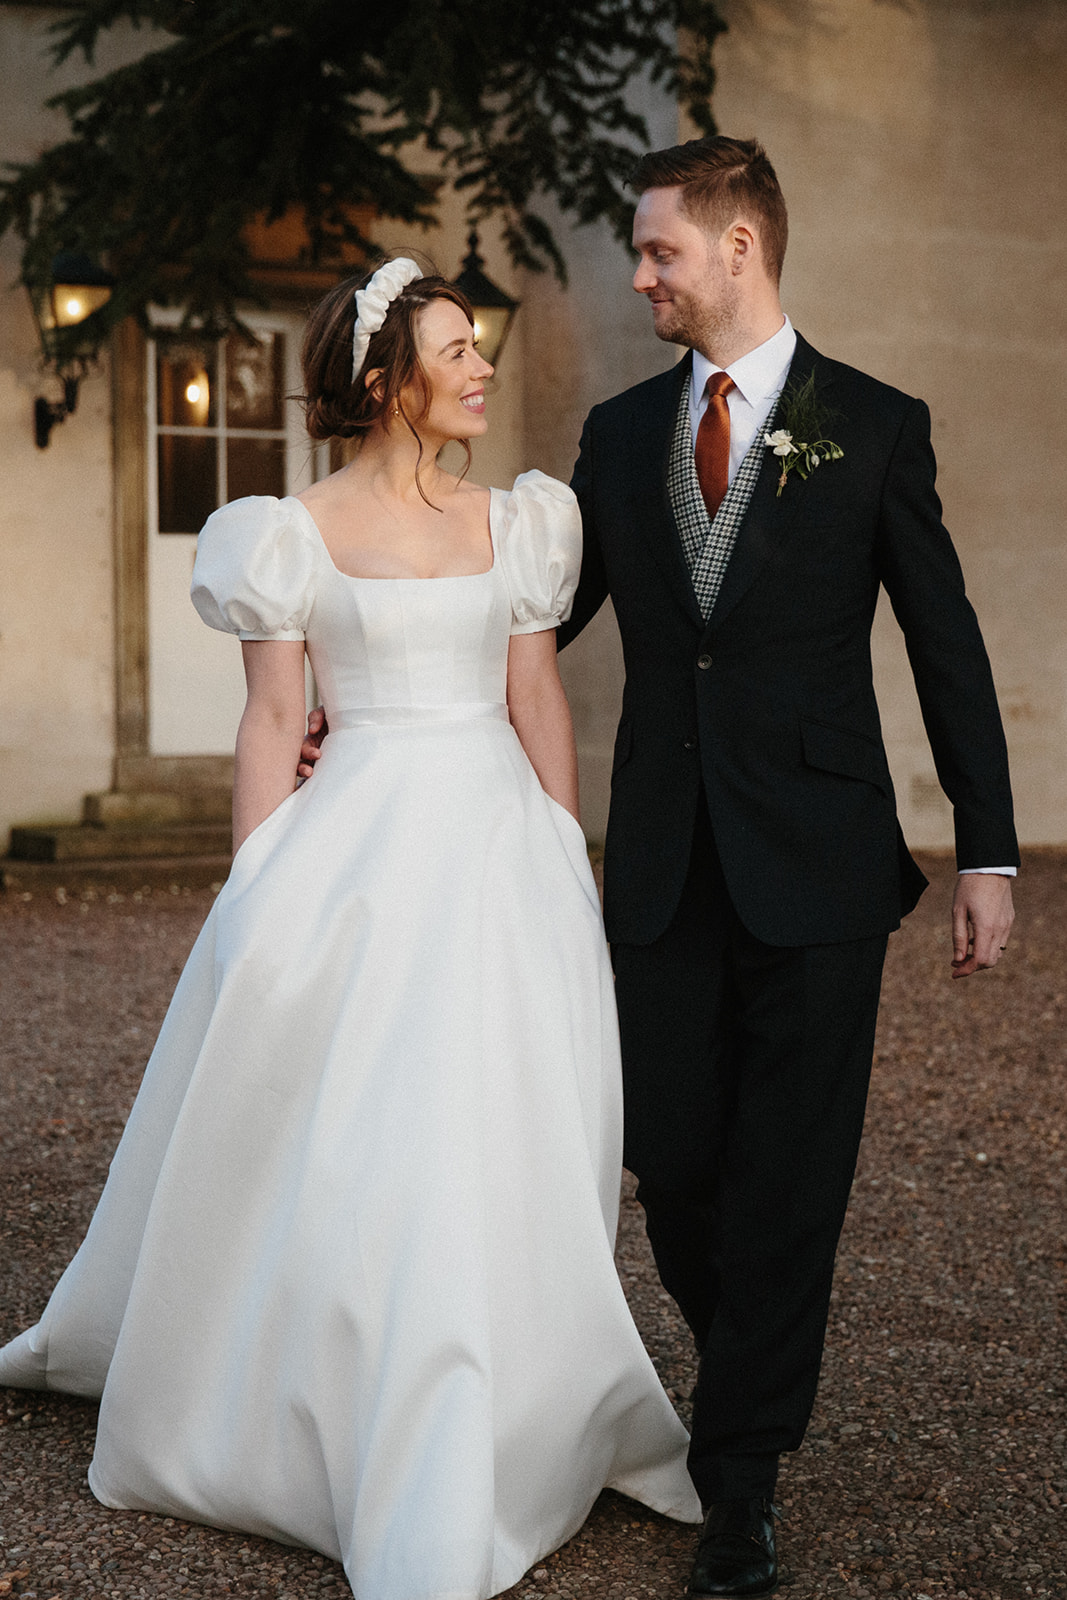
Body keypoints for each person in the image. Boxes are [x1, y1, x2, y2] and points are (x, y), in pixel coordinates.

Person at [0, 260, 702, 1600]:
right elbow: (274, 720)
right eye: (458, 349)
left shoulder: (522, 522)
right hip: (358, 846)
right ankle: (340, 1402)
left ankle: (517, 1402)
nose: (483, 367)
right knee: (362, 1127)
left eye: (479, 345)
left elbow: (537, 696)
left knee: (502, 1121)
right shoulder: (290, 532)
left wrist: (567, 851)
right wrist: (256, 889)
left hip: (496, 844)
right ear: (388, 379)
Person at [553, 136, 1019, 1596]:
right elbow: (544, 617)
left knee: (792, 1178)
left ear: (740, 246)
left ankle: (739, 1476)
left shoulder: (873, 426)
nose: (641, 278)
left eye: (660, 253)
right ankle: (746, 1356)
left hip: (818, 868)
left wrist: (986, 850)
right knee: (674, 1157)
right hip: (664, 866)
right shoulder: (624, 436)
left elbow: (946, 645)